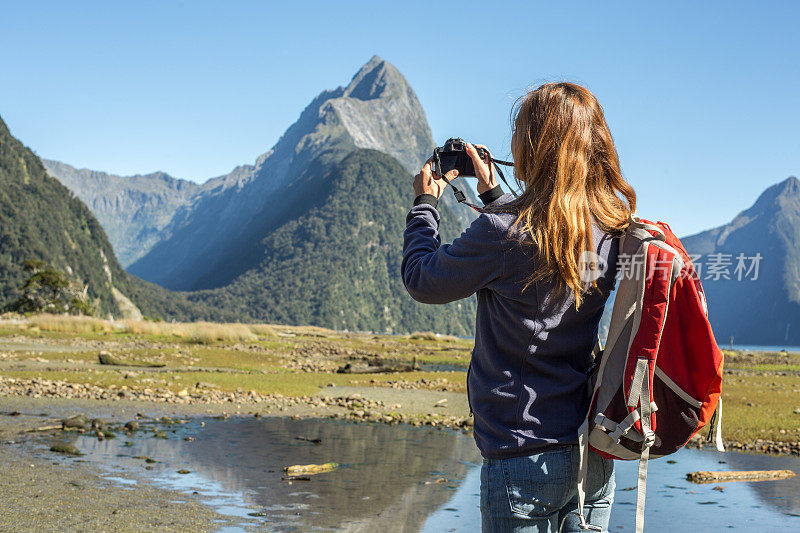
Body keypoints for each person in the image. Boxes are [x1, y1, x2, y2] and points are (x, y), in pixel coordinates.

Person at [402, 82, 637, 532]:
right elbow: (547, 244)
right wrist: (494, 196)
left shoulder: (503, 232)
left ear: (535, 145)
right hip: (592, 452)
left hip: (522, 453)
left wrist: (425, 205)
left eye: (519, 128)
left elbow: (422, 279)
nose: (512, 138)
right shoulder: (610, 227)